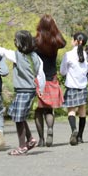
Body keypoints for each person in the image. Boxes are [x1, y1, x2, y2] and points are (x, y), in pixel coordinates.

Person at [0, 31, 45, 156]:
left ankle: (22, 146)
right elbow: (40, 73)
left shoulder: (17, 55)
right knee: (18, 115)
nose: (15, 42)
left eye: (16, 40)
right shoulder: (35, 57)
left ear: (21, 43)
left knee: (18, 118)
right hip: (29, 90)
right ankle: (30, 139)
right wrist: (41, 89)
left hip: (24, 91)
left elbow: (1, 51)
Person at [34, 15, 66, 147]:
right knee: (48, 110)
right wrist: (55, 30)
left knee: (38, 110)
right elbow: (63, 42)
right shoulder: (56, 41)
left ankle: (41, 139)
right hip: (51, 77)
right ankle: (50, 129)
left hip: (38, 78)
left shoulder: (35, 41)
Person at [59, 32, 88, 146]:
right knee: (82, 111)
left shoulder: (68, 55)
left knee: (71, 111)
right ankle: (80, 137)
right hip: (83, 86)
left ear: (76, 41)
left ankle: (74, 129)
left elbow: (62, 71)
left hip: (71, 86)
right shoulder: (86, 54)